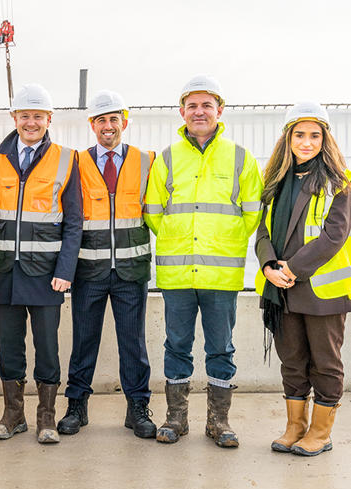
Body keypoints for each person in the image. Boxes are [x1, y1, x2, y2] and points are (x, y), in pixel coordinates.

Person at [144, 75, 263, 448]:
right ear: (182, 112)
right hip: (177, 272)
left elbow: (252, 214)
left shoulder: (240, 157)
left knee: (221, 348)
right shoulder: (167, 158)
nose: (199, 112)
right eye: (192, 106)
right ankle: (176, 418)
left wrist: (224, 243)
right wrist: (178, 241)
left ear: (219, 111)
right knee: (176, 345)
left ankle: (218, 421)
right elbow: (152, 211)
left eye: (206, 105)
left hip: (220, 274)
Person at [0, 83, 82, 444]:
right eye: (25, 116)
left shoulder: (67, 159)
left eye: (38, 116)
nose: (31, 122)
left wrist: (65, 271)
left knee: (47, 349)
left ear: (49, 119)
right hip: (4, 270)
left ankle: (46, 417)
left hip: (47, 274)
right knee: (10, 347)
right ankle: (13, 415)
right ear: (14, 118)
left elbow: (74, 222)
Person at [255, 102, 351, 457]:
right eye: (300, 135)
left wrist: (292, 269)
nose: (306, 142)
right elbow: (261, 231)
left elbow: (334, 235)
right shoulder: (274, 182)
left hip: (321, 292)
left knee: (325, 363)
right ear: (288, 138)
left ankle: (321, 432)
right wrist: (268, 266)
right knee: (292, 361)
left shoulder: (338, 182)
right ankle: (295, 426)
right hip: (281, 290)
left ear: (325, 139)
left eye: (315, 135)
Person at [59, 90, 156, 439]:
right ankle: (76, 406)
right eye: (101, 120)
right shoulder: (76, 163)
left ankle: (138, 408)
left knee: (134, 343)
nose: (108, 126)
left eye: (114, 119)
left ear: (124, 123)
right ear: (92, 125)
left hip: (131, 271)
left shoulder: (147, 160)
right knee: (84, 340)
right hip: (89, 271)